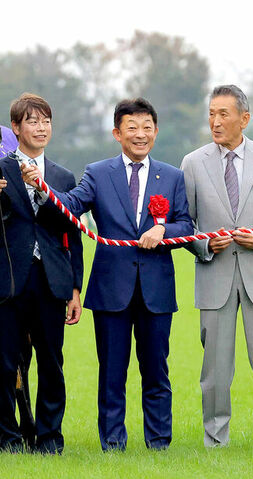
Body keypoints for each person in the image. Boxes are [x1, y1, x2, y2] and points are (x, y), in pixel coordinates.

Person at [24, 97, 191, 451]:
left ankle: (159, 442)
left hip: (157, 290)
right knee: (112, 372)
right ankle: (113, 442)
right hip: (111, 288)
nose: (140, 134)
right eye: (132, 127)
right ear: (117, 133)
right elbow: (70, 206)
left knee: (156, 372)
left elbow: (186, 224)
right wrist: (42, 187)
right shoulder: (99, 173)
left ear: (156, 132)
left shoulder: (173, 176)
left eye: (147, 127)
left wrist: (163, 232)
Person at [181, 84, 253, 448]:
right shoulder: (193, 162)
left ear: (244, 119)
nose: (215, 121)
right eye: (211, 114)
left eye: (224, 114)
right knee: (215, 372)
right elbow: (186, 224)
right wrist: (203, 243)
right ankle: (215, 442)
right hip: (214, 278)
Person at [0, 93, 83, 454]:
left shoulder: (64, 177)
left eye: (46, 121)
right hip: (8, 280)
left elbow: (73, 236)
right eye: (32, 121)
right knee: (5, 364)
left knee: (52, 362)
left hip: (52, 280)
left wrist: (75, 288)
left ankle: (50, 438)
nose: (41, 127)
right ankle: (10, 439)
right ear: (15, 128)